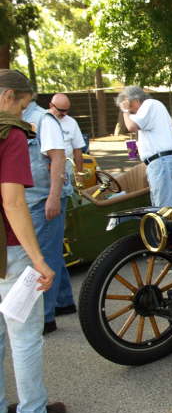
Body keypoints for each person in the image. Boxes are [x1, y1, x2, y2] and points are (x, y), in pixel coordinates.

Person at [0, 69, 65, 413]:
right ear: (10, 96)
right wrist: (39, 261)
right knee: (24, 335)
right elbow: (12, 202)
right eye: (24, 105)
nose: (26, 113)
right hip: (8, 248)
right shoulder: (9, 133)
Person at [22, 92, 70, 334]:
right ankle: (64, 301)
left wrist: (53, 197)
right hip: (31, 199)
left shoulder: (42, 120)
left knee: (44, 257)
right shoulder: (20, 119)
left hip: (42, 199)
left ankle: (45, 318)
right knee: (51, 251)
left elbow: (57, 158)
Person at [47, 94, 85, 317]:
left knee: (53, 242)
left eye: (66, 111)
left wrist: (79, 175)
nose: (63, 115)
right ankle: (63, 301)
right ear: (50, 106)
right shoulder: (44, 121)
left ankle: (58, 304)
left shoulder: (71, 123)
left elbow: (77, 149)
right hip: (55, 180)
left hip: (66, 179)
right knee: (53, 243)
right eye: (60, 111)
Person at [117, 86, 172, 208]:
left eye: (129, 105)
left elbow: (131, 126)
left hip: (161, 162)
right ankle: (165, 226)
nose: (130, 111)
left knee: (164, 209)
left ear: (135, 100)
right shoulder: (153, 107)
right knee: (162, 205)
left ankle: (166, 227)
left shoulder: (149, 104)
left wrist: (124, 111)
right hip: (163, 160)